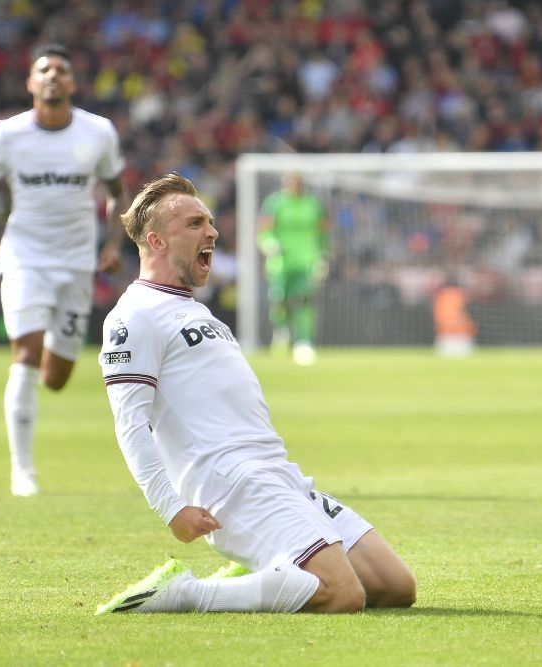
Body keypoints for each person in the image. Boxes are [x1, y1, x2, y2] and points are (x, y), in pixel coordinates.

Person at [95, 173, 415, 614]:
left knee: (395, 587)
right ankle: (185, 594)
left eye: (209, 221)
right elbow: (130, 424)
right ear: (156, 241)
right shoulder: (134, 317)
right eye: (194, 224)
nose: (212, 231)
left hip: (278, 473)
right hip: (232, 483)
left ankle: (264, 572)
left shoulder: (193, 309)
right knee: (342, 595)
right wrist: (171, 509)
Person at [0, 44, 128, 497]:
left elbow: (117, 193)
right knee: (25, 356)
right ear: (31, 83)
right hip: (25, 257)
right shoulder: (7, 135)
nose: (52, 75)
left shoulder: (98, 132)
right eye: (43, 70)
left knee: (56, 377)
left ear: (72, 83)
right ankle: (23, 472)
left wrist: (111, 244)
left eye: (61, 70)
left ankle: (53, 343)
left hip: (76, 263)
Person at [257, 172, 330, 365]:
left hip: (307, 260)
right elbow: (264, 231)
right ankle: (281, 330)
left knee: (305, 299)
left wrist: (323, 255)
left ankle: (304, 342)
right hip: (281, 261)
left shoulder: (313, 204)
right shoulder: (275, 203)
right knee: (279, 299)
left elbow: (323, 232)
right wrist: (269, 244)